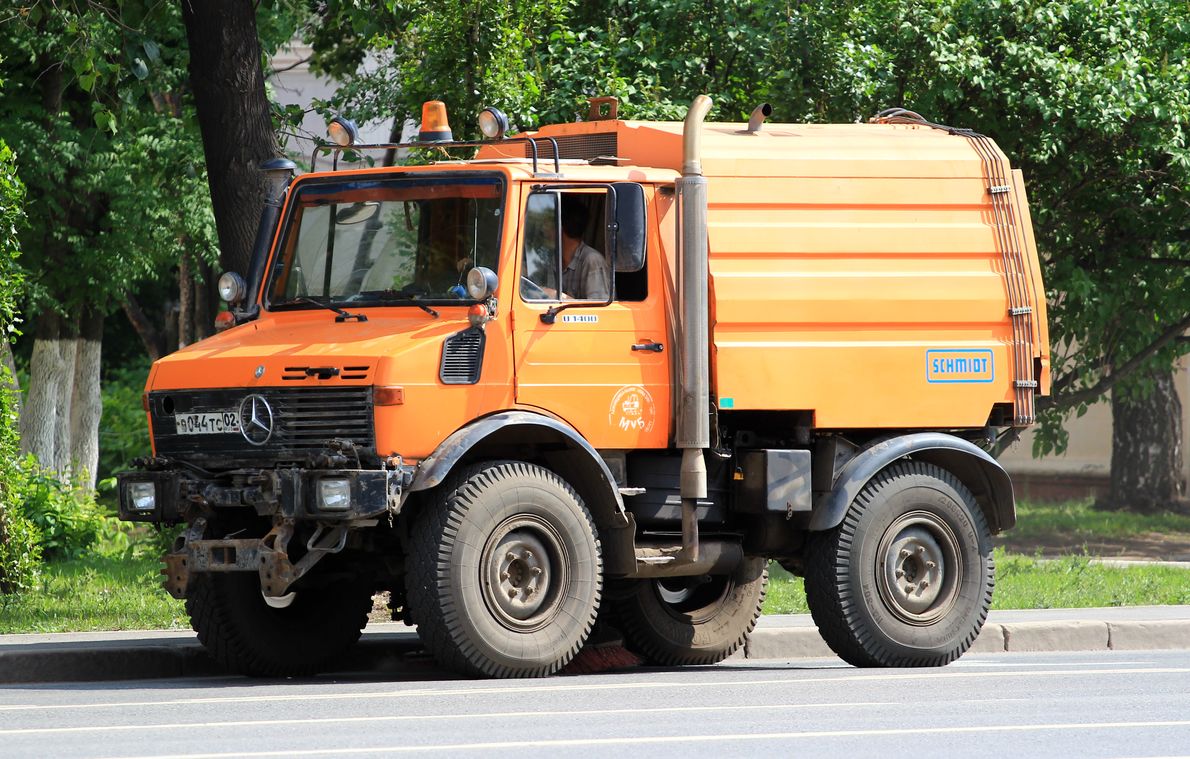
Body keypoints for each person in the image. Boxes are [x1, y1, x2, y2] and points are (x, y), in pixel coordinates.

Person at [558, 201, 610, 300]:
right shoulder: (551, 259)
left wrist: (557, 296)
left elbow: (598, 309)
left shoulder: (592, 260)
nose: (543, 228)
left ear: (560, 227)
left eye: (547, 222)